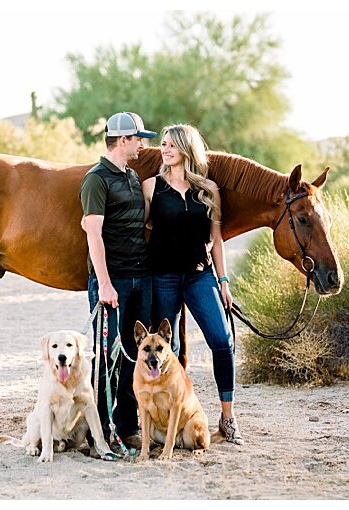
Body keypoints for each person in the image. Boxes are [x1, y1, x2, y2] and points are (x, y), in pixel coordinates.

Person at [143, 124, 240, 444]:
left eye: (171, 144)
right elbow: (141, 230)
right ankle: (164, 421)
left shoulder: (208, 189)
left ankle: (228, 418)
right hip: (163, 277)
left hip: (201, 275)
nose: (165, 149)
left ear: (186, 149)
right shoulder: (151, 187)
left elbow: (217, 238)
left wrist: (224, 281)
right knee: (165, 350)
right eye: (163, 145)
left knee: (221, 340)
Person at [79, 111, 156, 455]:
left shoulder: (131, 175)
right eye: (139, 138)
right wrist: (106, 284)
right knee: (106, 359)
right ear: (123, 140)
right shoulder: (96, 179)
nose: (143, 144)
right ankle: (100, 436)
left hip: (141, 277)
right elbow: (93, 234)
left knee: (131, 357)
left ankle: (127, 427)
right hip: (114, 283)